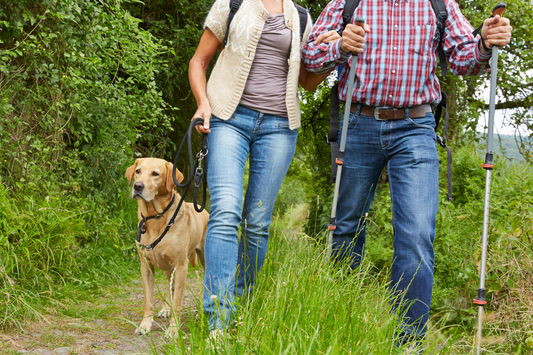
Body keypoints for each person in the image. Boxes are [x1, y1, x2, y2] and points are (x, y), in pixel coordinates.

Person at [302, 0, 512, 345]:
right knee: (345, 228)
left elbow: (464, 58)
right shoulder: (348, 2)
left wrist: (485, 43)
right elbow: (310, 56)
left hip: (415, 127)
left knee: (415, 236)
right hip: (358, 121)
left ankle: (408, 344)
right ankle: (340, 326)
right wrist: (340, 46)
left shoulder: (439, 4)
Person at [189, 0, 340, 338]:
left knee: (256, 223)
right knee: (226, 211)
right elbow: (199, 61)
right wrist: (202, 104)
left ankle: (241, 307)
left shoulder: (301, 16)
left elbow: (307, 81)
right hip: (228, 118)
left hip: (279, 128)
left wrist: (334, 53)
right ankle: (218, 319)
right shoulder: (232, 4)